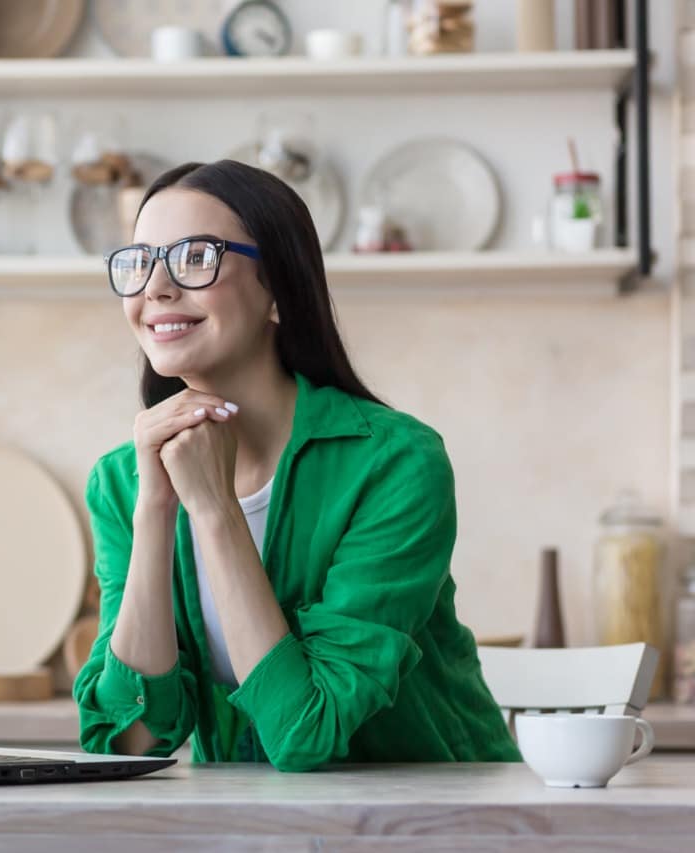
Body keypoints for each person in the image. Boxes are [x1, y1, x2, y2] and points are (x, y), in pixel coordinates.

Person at [72, 159, 520, 772]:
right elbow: (130, 740)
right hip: (255, 828)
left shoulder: (396, 463)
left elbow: (307, 731)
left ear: (279, 290)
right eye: (139, 261)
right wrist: (155, 507)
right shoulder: (123, 480)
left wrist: (215, 508)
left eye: (195, 257)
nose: (156, 288)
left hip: (433, 823)